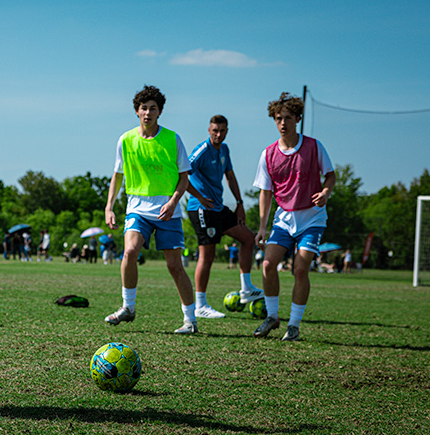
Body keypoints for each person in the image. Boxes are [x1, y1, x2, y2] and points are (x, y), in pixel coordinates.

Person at [103, 85, 200, 334]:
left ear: (160, 112)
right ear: (137, 111)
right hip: (137, 207)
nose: (148, 113)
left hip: (167, 210)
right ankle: (128, 308)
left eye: (153, 109)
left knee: (174, 266)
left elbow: (184, 177)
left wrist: (173, 201)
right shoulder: (125, 140)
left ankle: (190, 320)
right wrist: (109, 206)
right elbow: (117, 176)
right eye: (144, 108)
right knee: (129, 252)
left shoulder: (172, 139)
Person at [252, 92, 336, 342]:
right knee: (268, 264)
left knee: (300, 269)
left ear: (298, 119)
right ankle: (273, 317)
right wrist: (262, 228)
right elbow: (266, 193)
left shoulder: (313, 146)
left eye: (288, 117)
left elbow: (330, 175)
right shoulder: (267, 154)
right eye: (278, 118)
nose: (283, 123)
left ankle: (294, 325)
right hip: (283, 220)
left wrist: (325, 192)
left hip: (312, 219)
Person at [185, 114, 265, 320]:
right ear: (208, 130)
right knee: (207, 255)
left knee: (248, 238)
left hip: (219, 208)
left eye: (222, 131)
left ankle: (246, 288)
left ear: (227, 131)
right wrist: (200, 198)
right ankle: (200, 305)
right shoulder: (201, 151)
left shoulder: (225, 149)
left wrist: (240, 203)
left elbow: (230, 176)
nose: (218, 134)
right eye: (215, 131)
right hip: (201, 208)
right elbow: (182, 174)